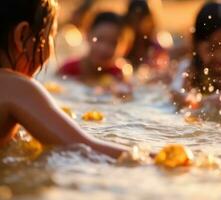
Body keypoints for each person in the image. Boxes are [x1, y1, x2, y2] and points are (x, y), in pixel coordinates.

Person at [0, 0, 128, 159]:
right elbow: (86, 148)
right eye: (51, 36)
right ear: (22, 35)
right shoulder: (16, 88)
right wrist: (159, 158)